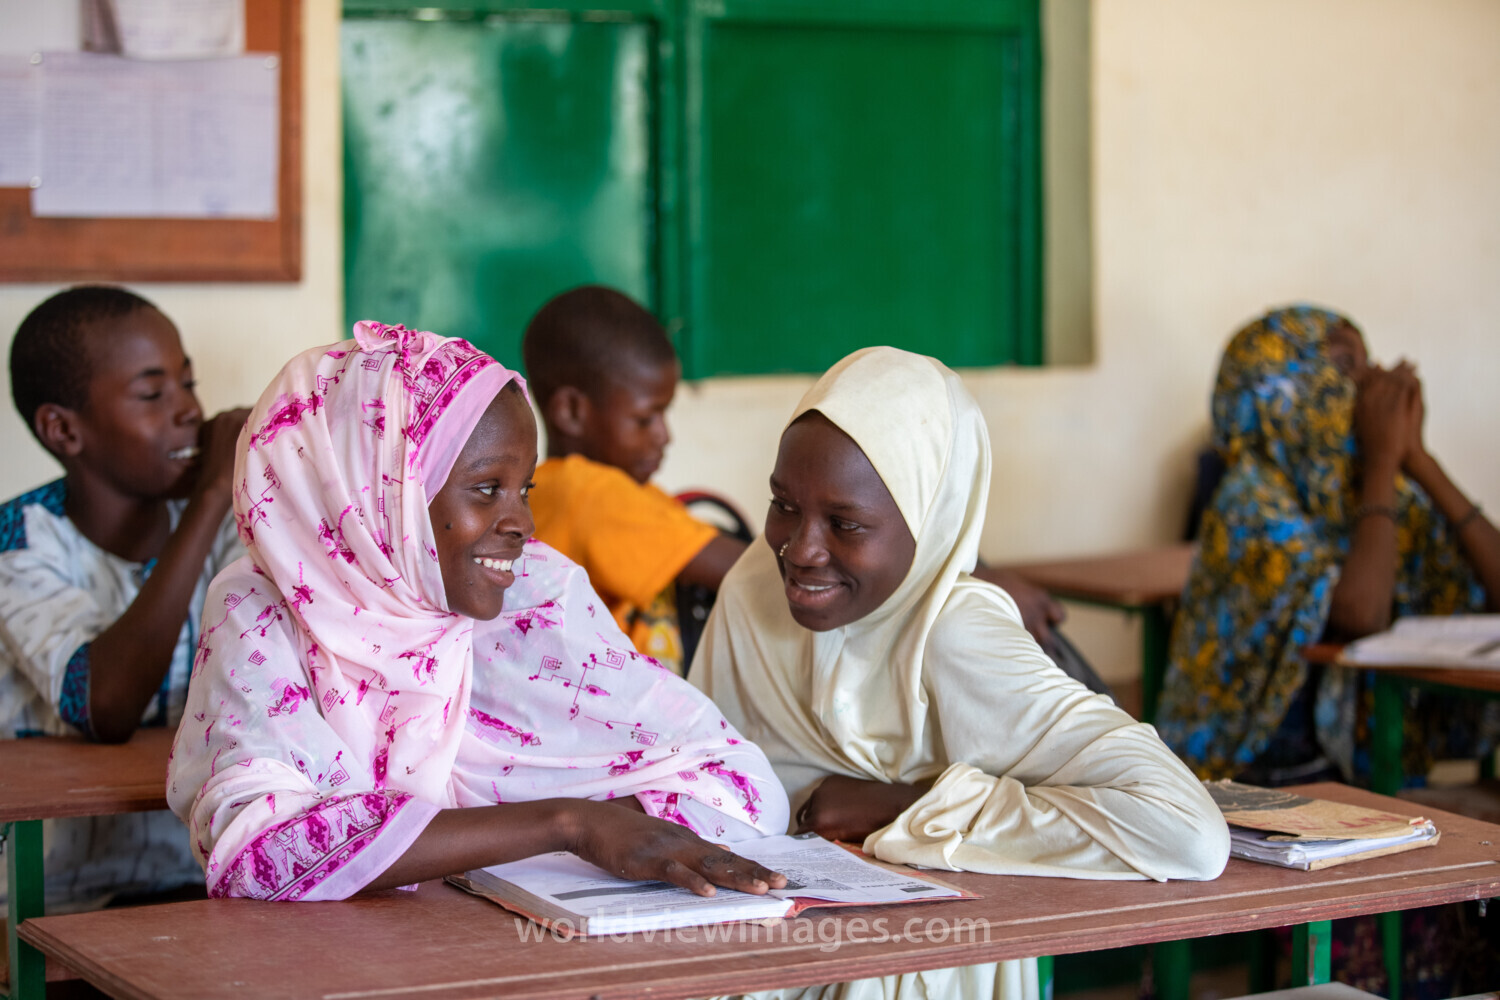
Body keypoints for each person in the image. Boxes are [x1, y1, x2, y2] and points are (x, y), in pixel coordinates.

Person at [166, 320, 789, 900]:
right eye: (487, 489)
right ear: (378, 496)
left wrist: (591, 832)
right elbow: (260, 854)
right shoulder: (267, 609)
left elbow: (738, 786)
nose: (520, 522)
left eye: (525, 491)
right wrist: (569, 824)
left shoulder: (533, 594)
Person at [691, 346, 1229, 1000]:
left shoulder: (955, 634)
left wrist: (906, 810)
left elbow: (1186, 831)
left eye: (845, 523)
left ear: (933, 525)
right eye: (783, 505)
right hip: (754, 954)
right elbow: (700, 781)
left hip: (920, 969)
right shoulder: (752, 588)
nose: (798, 550)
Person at [1156, 305, 1500, 785]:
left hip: (1355, 762)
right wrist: (1384, 460)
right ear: (1282, 388)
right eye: (1345, 364)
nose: (1371, 380)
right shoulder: (1250, 501)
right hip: (1253, 777)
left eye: (1367, 360)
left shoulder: (1360, 490)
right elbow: (1361, 615)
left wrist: (1417, 457)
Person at [0, 285, 246, 911]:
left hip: (203, 882)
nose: (189, 411)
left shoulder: (234, 529)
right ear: (63, 430)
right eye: (152, 393)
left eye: (188, 385)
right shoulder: (19, 543)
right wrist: (214, 492)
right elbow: (103, 705)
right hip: (51, 895)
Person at [521, 286, 747, 674]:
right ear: (572, 412)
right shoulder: (588, 493)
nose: (664, 435)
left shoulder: (567, 489)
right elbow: (751, 572)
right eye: (645, 418)